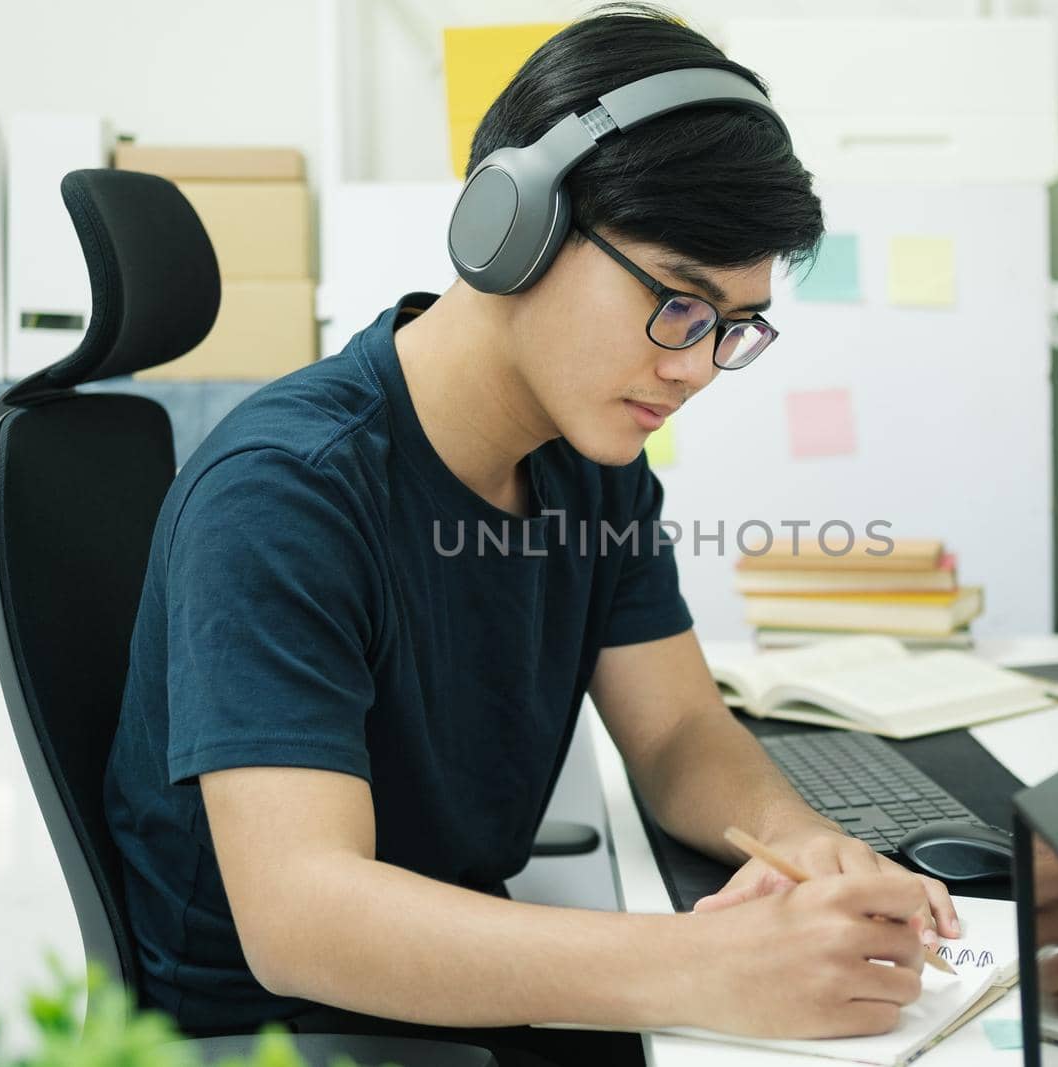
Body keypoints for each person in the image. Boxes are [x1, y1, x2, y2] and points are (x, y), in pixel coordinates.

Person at [103, 7, 960, 1066]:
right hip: (288, 1032)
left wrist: (804, 845)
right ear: (512, 232)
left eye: (733, 327)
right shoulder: (286, 493)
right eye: (681, 305)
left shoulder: (586, 464)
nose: (696, 367)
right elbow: (301, 919)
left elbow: (679, 730)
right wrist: (711, 964)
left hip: (455, 980)